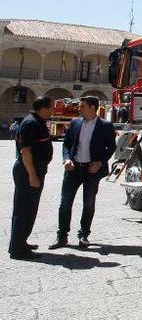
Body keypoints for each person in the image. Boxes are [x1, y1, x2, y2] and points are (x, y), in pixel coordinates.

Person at [49, 96, 117, 249]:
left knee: (88, 204)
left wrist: (100, 162)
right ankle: (62, 237)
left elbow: (111, 147)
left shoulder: (105, 125)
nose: (79, 109)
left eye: (82, 106)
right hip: (73, 169)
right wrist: (67, 159)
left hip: (91, 170)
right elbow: (66, 144)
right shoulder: (75, 123)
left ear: (93, 107)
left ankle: (84, 235)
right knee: (65, 203)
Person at [8, 96, 54, 260]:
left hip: (33, 170)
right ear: (41, 108)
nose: (52, 110)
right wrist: (32, 175)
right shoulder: (31, 123)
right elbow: (25, 151)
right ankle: (18, 250)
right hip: (28, 172)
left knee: (29, 209)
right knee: (24, 209)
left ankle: (21, 242)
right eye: (50, 108)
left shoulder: (37, 121)